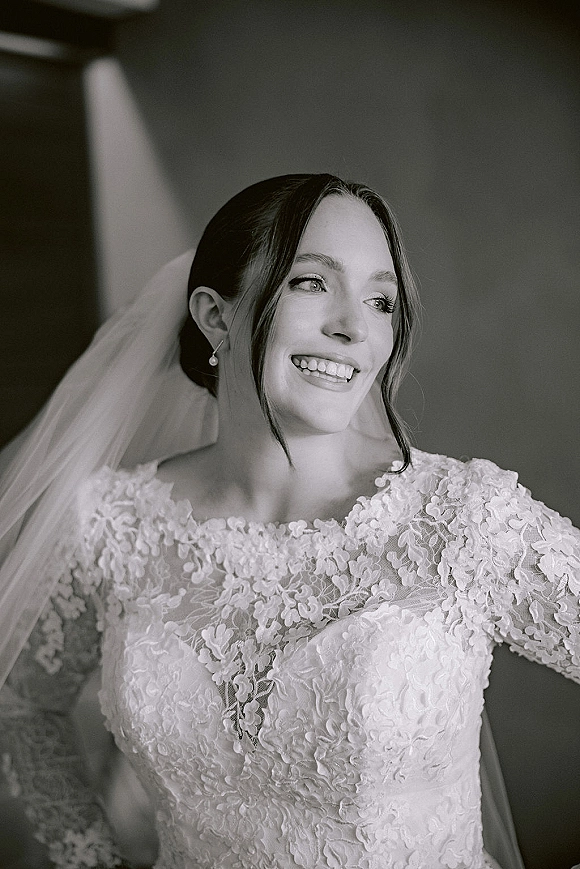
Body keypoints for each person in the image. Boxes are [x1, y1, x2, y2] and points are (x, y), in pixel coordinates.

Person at [0, 173, 578, 869]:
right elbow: (22, 706)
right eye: (312, 282)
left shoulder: (463, 521)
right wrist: (91, 859)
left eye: (381, 300)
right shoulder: (113, 522)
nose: (356, 327)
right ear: (216, 315)